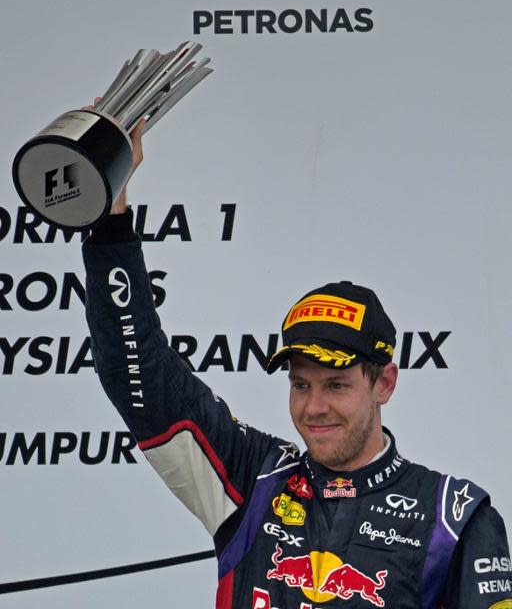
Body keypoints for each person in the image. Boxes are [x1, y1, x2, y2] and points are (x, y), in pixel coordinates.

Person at [82, 123, 511, 608]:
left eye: (336, 385)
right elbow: (138, 373)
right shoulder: (255, 479)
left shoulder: (453, 517)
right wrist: (110, 211)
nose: (314, 407)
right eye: (300, 384)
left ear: (384, 382)